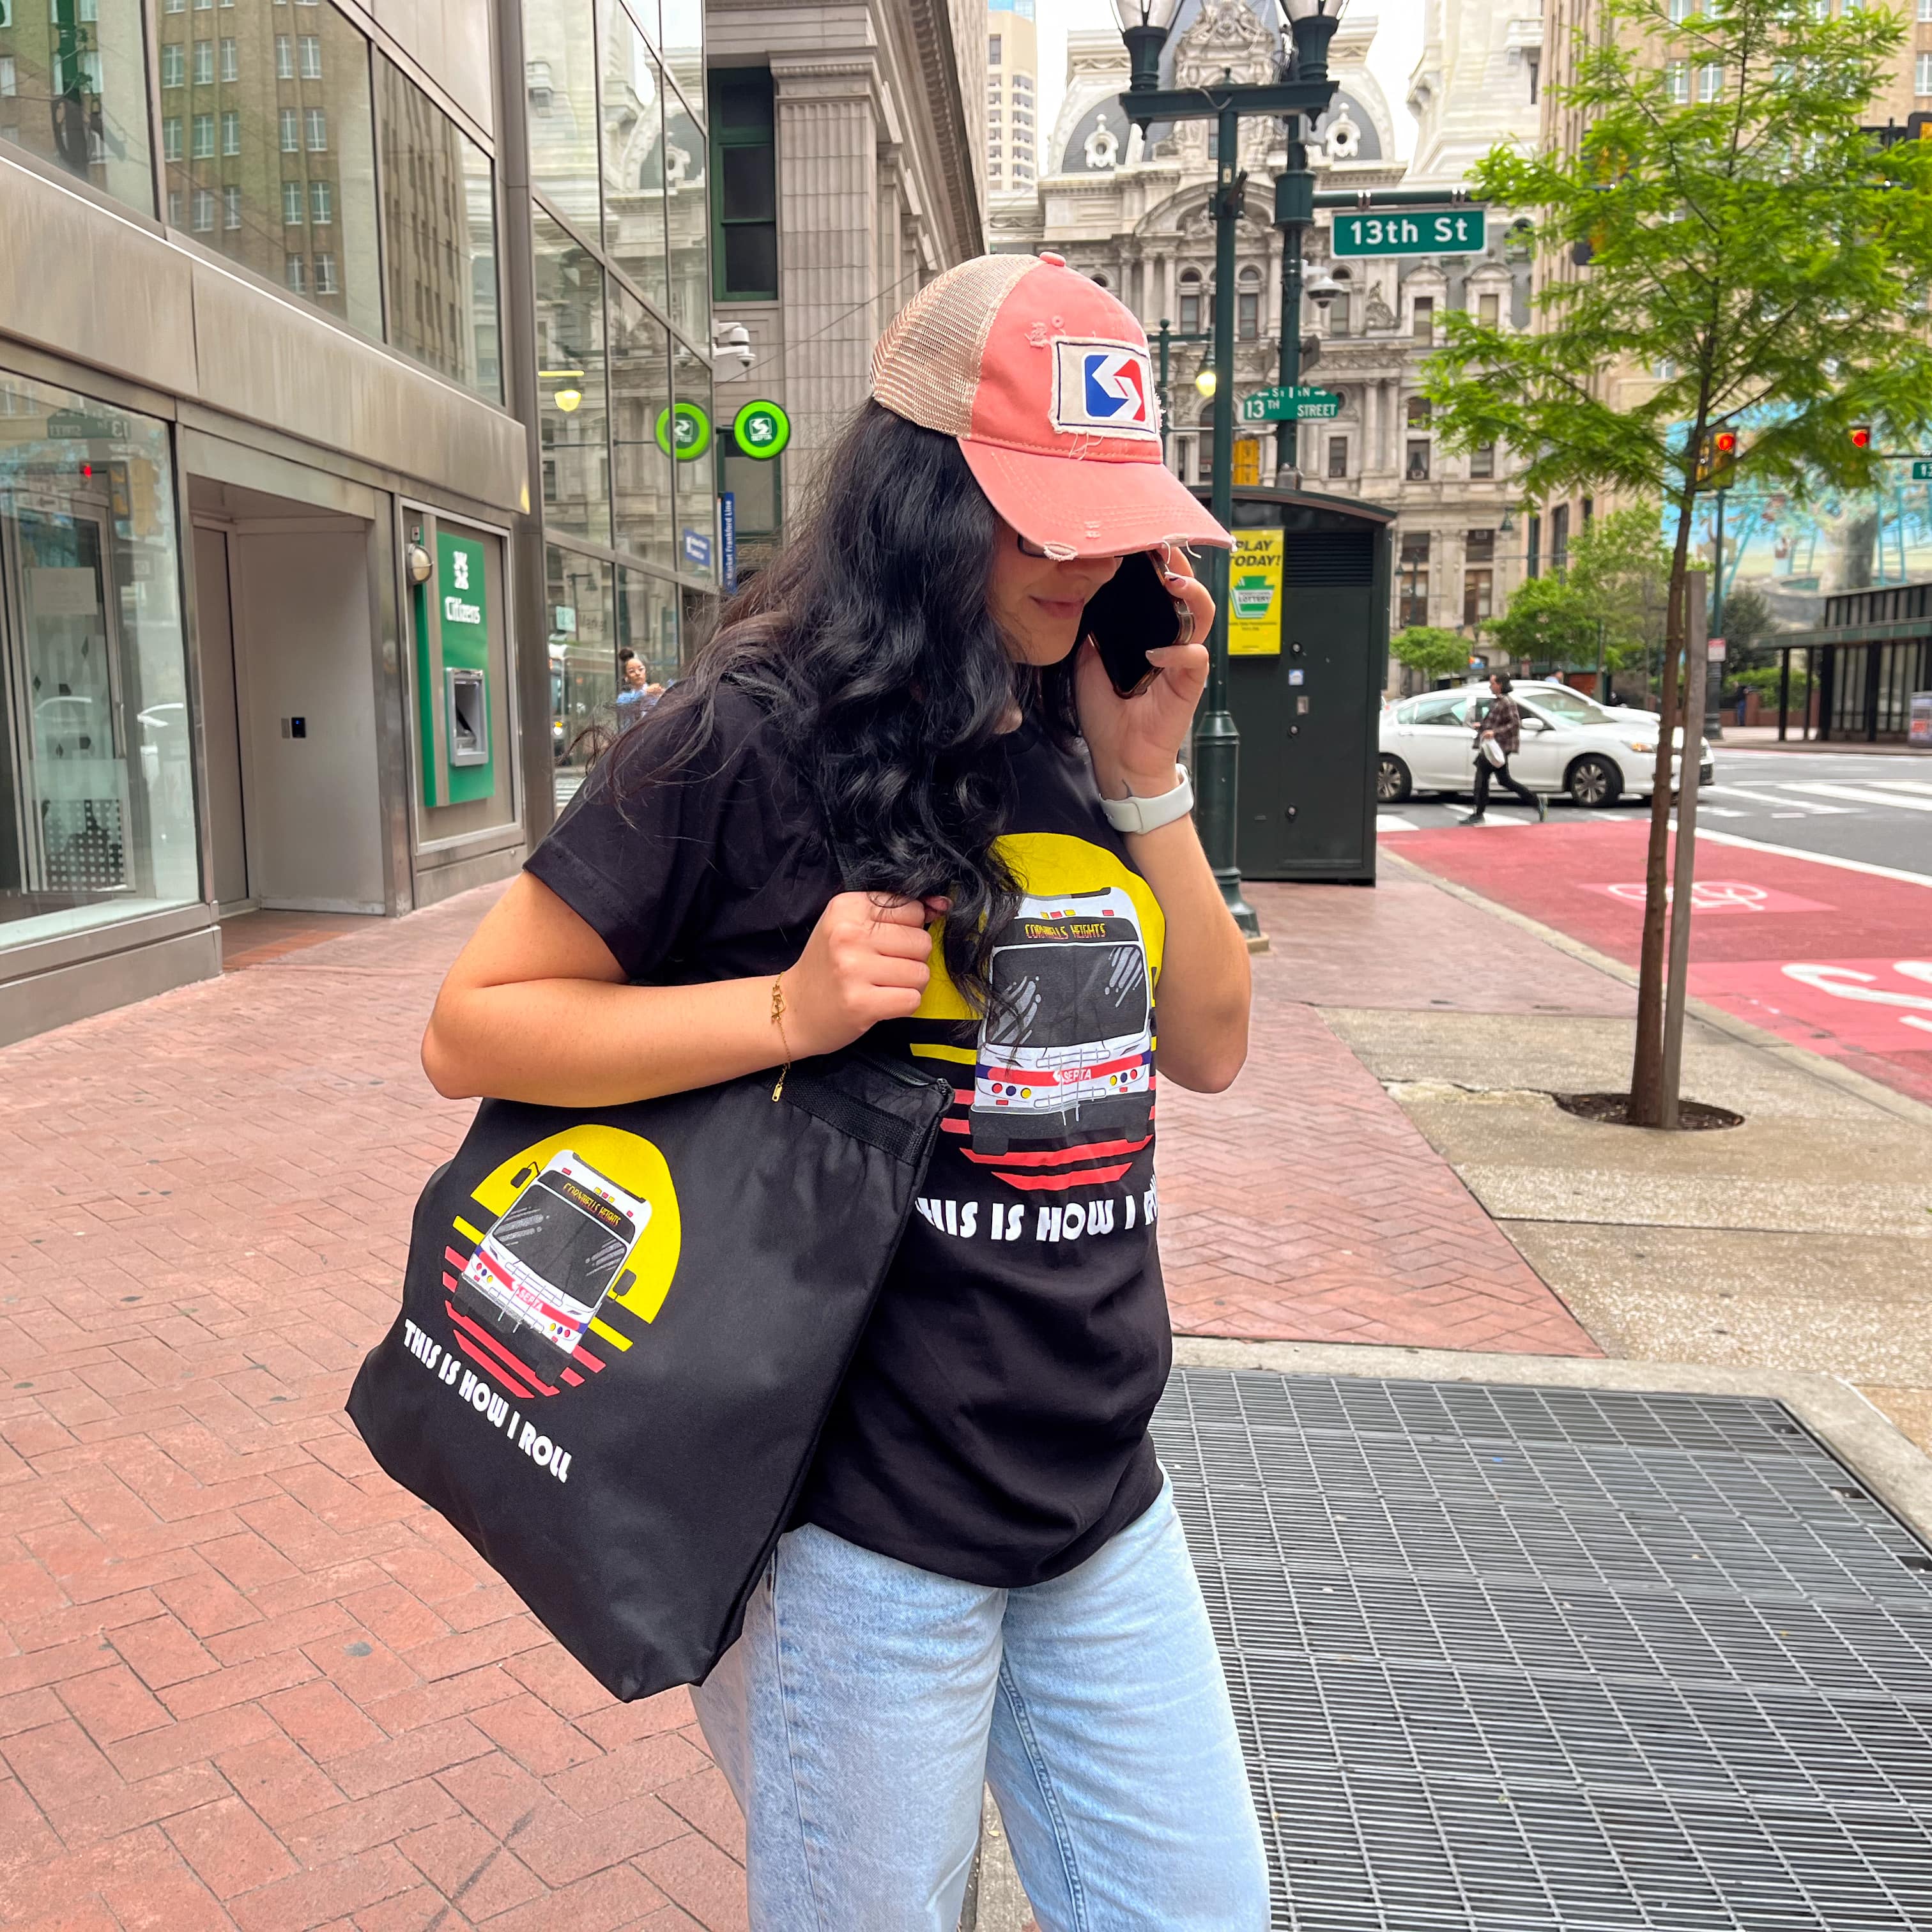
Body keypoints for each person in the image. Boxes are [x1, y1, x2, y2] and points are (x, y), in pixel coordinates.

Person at [419, 252, 1267, 1931]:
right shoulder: (751, 731)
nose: (1081, 558)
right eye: (1036, 515)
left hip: (1094, 1475)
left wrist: (1147, 785)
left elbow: (1215, 1044)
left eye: (1105, 517)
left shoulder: (1082, 713)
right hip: (854, 1521)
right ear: (924, 494)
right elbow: (476, 1024)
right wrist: (786, 1010)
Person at [1462, 670, 1547, 822]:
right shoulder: (1499, 701)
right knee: (1504, 780)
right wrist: (1481, 726)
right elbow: (1496, 722)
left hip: (1499, 747)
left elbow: (1515, 724)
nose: (1490, 686)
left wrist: (1494, 732)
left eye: (1492, 683)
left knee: (1482, 779)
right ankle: (1536, 802)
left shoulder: (1507, 702)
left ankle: (1478, 814)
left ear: (1500, 685)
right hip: (1494, 747)